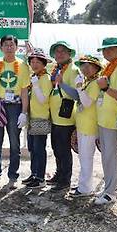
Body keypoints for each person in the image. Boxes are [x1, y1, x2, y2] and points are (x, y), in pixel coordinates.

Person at [0, 35, 30, 188]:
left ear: (16, 47)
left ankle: (13, 175)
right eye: (6, 45)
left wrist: (24, 112)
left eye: (12, 45)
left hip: (15, 107)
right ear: (1, 48)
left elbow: (24, 91)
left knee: (14, 142)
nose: (9, 47)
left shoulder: (23, 66)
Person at [93, 38, 117, 206]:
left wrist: (105, 88)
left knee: (110, 156)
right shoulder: (108, 67)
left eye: (110, 49)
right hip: (104, 118)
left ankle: (111, 192)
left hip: (113, 119)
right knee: (105, 155)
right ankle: (109, 187)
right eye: (104, 50)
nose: (106, 53)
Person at [46, 41, 80, 192]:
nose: (59, 54)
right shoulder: (56, 69)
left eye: (63, 51)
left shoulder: (73, 70)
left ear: (69, 53)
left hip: (66, 117)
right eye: (57, 51)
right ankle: (59, 174)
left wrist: (62, 83)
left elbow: (77, 94)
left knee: (64, 150)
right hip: (55, 117)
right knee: (56, 148)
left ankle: (65, 180)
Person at [68, 55, 102, 198]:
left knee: (86, 157)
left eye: (89, 66)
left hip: (89, 126)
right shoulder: (88, 82)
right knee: (83, 157)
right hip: (83, 125)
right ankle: (83, 184)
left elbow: (87, 103)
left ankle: (85, 188)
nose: (85, 69)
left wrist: (79, 89)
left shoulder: (94, 84)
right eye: (83, 66)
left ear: (96, 68)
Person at [23, 48, 53, 189]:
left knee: (39, 148)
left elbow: (43, 99)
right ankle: (34, 173)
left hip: (41, 118)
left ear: (44, 63)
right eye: (32, 61)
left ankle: (40, 178)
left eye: (37, 62)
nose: (34, 64)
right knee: (32, 148)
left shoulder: (45, 78)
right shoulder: (36, 77)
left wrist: (35, 85)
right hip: (32, 117)